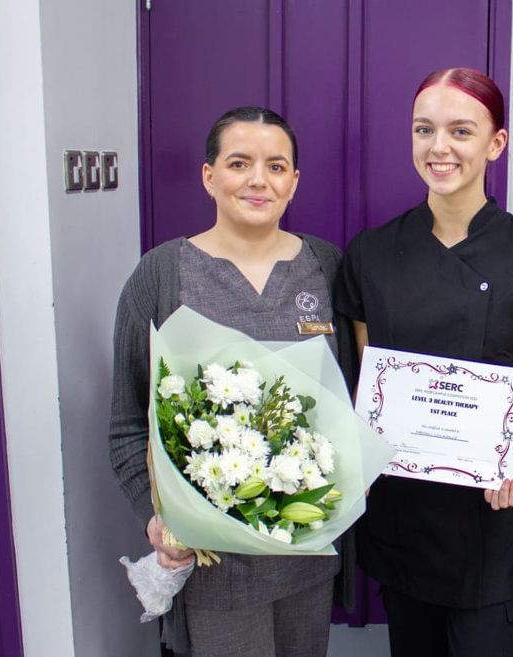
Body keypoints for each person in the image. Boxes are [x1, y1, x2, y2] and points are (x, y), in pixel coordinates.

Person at [334, 67, 513, 657]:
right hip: (402, 509)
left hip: (488, 514)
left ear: (496, 144)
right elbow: (374, 388)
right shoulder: (372, 253)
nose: (438, 147)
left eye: (460, 131)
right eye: (424, 129)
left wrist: (497, 459)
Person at [109, 106, 355, 657]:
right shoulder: (163, 275)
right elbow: (127, 422)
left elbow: (355, 399)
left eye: (276, 165)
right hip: (212, 565)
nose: (258, 180)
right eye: (239, 162)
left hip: (306, 554)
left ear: (294, 181)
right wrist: (156, 516)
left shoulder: (326, 266)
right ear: (209, 176)